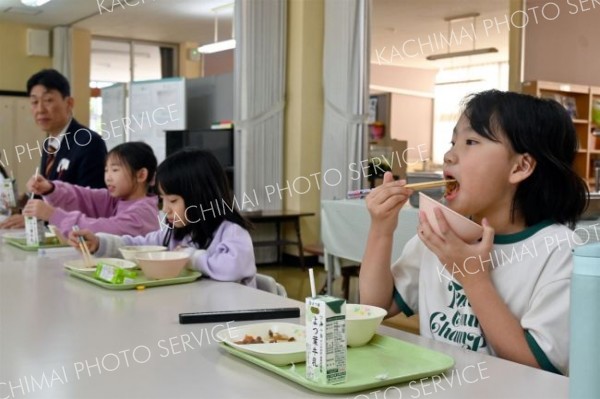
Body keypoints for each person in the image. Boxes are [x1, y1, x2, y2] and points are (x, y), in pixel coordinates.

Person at [359, 90, 588, 376]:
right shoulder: (441, 233)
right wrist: (381, 229)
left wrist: (472, 277)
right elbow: (374, 306)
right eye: (452, 141)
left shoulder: (559, 250)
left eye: (471, 142)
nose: (449, 155)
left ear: (520, 167)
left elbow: (537, 368)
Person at [69, 149, 257, 287]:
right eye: (162, 200)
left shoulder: (231, 231)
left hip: (232, 321)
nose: (165, 209)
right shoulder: (174, 232)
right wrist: (100, 243)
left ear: (201, 199)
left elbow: (234, 268)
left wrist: (189, 257)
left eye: (173, 200)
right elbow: (139, 247)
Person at [0, 69, 107, 229]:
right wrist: (27, 200)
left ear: (69, 103)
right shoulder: (50, 144)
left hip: (79, 238)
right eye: (34, 102)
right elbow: (51, 192)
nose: (40, 109)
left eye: (48, 100)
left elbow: (94, 203)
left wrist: (39, 219)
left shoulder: (88, 141)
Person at [23, 142, 159, 238]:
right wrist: (50, 189)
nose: (108, 177)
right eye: (106, 170)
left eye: (115, 170)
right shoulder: (116, 199)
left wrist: (54, 215)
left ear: (141, 175)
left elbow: (105, 230)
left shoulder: (144, 212)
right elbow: (84, 197)